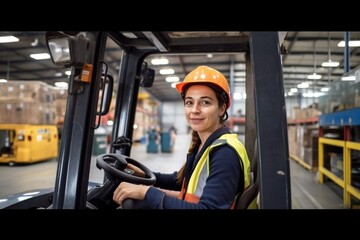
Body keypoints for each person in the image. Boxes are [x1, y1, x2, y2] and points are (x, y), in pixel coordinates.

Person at [113, 65, 251, 209]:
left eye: (205, 102)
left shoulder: (225, 153)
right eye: (189, 102)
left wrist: (148, 192)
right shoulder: (205, 145)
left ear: (222, 109)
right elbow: (181, 181)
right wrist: (144, 175)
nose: (195, 110)